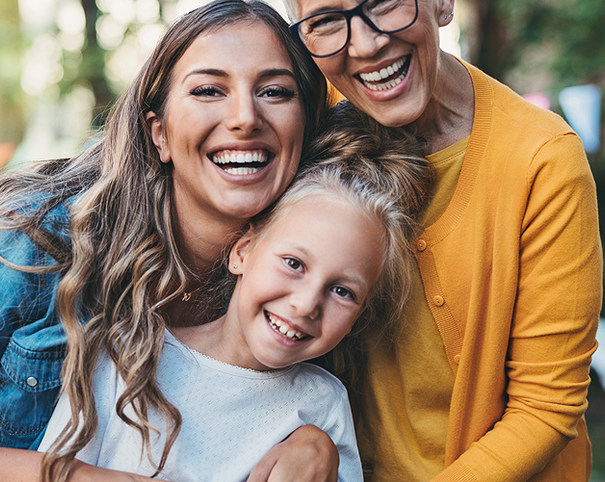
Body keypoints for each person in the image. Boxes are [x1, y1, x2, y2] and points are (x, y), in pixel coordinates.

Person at [273, 0, 603, 482]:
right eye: (326, 21)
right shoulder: (303, 132)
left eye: (385, 0)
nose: (367, 44)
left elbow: (546, 407)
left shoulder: (541, 160)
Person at [0, 0, 336, 482]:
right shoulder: (36, 243)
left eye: (275, 92)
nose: (245, 117)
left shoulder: (312, 282)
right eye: (208, 90)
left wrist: (316, 440)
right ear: (159, 134)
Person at [37, 102, 431, 482]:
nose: (307, 303)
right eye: (293, 264)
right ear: (243, 252)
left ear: (360, 313)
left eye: (343, 291)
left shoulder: (322, 406)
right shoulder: (128, 352)